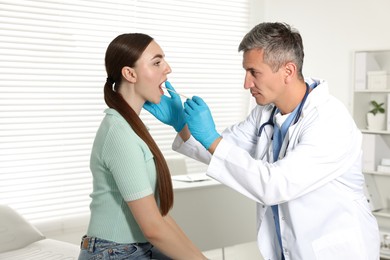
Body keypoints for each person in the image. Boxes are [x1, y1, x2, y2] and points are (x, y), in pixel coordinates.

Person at [144, 22, 380, 260]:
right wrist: (181, 125)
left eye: (254, 72)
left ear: (288, 71)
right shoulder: (266, 112)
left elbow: (275, 184)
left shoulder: (330, 121)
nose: (246, 84)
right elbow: (223, 150)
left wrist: (212, 138)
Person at [79, 33, 207, 260]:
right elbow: (153, 228)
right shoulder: (119, 133)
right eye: (157, 62)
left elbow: (160, 217)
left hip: (136, 247)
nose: (167, 69)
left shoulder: (130, 127)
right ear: (129, 73)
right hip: (114, 252)